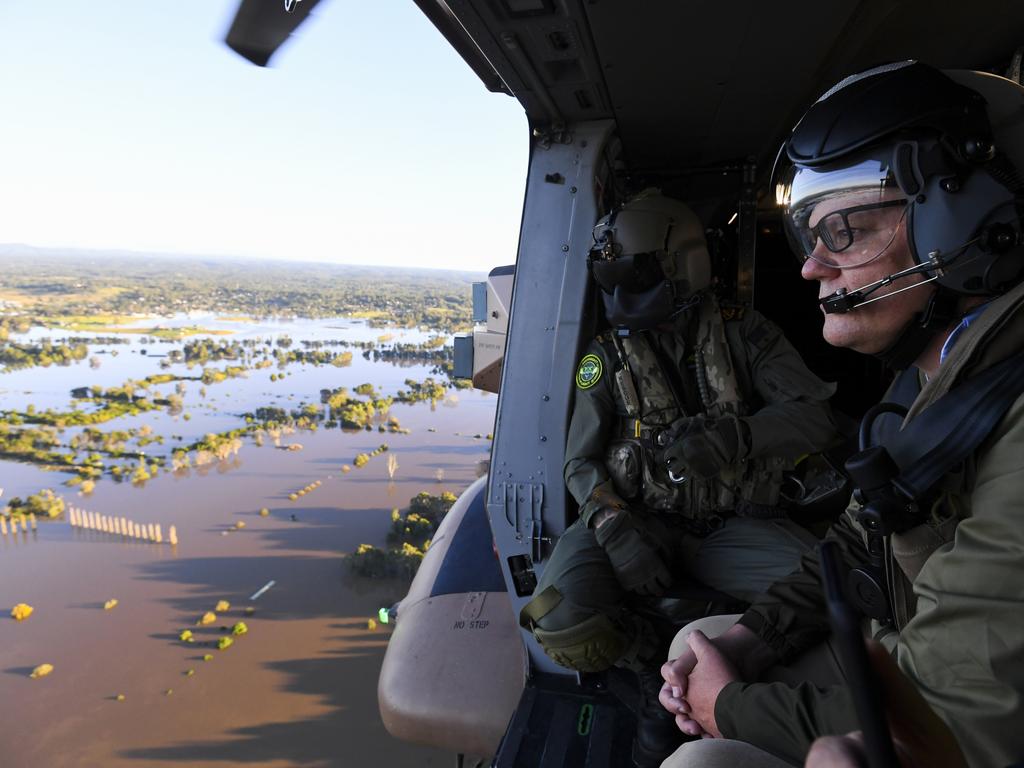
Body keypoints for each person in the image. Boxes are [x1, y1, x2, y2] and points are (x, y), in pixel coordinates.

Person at [659, 61, 1024, 768]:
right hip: (911, 651)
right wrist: (747, 643)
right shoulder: (938, 388)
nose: (812, 267)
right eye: (811, 236)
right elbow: (858, 545)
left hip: (961, 717)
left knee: (704, 762)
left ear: (967, 223)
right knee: (698, 644)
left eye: (847, 230)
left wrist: (725, 705)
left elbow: (959, 721)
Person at [517, 190, 840, 766]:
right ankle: (650, 672)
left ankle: (746, 694)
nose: (619, 298)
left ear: (683, 269)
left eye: (634, 278)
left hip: (735, 523)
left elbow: (816, 417)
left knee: (837, 597)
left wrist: (735, 439)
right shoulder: (604, 359)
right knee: (561, 616)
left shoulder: (748, 336)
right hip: (640, 519)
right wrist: (613, 525)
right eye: (610, 281)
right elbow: (580, 462)